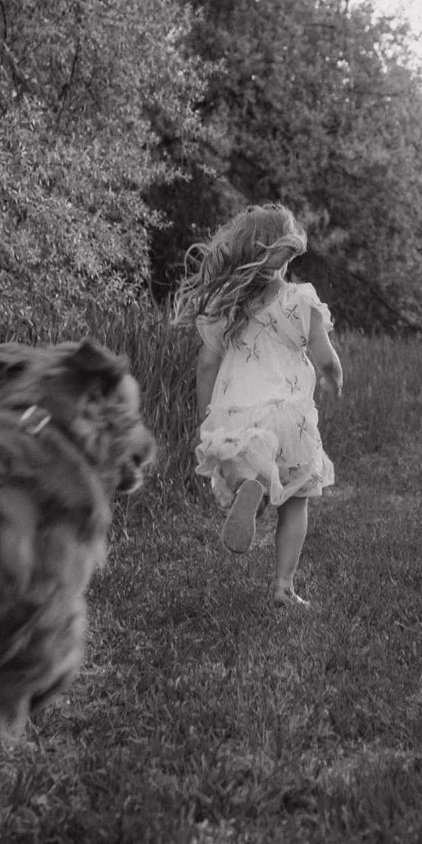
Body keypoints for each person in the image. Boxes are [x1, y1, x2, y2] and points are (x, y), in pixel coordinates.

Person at [172, 203, 344, 607]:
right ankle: (283, 586)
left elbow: (206, 367)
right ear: (284, 254)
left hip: (235, 414)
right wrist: (333, 377)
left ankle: (248, 487)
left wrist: (207, 421)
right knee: (297, 499)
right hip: (287, 415)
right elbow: (325, 358)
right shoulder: (298, 300)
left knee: (242, 469)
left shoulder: (226, 307)